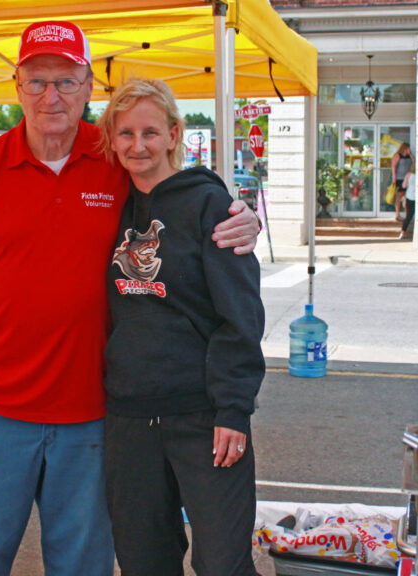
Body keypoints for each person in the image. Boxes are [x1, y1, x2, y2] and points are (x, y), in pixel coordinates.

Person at [0, 20, 260, 575]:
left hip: (92, 415)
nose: (51, 96)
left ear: (88, 87)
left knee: (81, 567)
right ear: (17, 86)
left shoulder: (114, 158)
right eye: (37, 81)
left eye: (66, 80)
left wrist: (236, 215)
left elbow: (179, 189)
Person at [97, 78, 264, 575]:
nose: (137, 145)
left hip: (203, 417)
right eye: (125, 133)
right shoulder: (108, 205)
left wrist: (234, 409)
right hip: (128, 417)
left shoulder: (210, 207)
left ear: (174, 135)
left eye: (150, 132)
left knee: (222, 564)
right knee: (144, 562)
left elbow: (240, 315)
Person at [391, 143, 413, 221]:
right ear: (405, 148)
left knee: (407, 197)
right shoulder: (398, 155)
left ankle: (407, 215)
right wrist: (394, 177)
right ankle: (397, 214)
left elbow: (414, 162)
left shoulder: (409, 156)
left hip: (408, 179)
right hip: (399, 178)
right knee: (399, 196)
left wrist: (410, 154)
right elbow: (393, 166)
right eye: (408, 149)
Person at [399, 163, 416, 240]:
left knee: (408, 216)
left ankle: (403, 232)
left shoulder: (409, 175)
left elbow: (404, 186)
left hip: (410, 197)